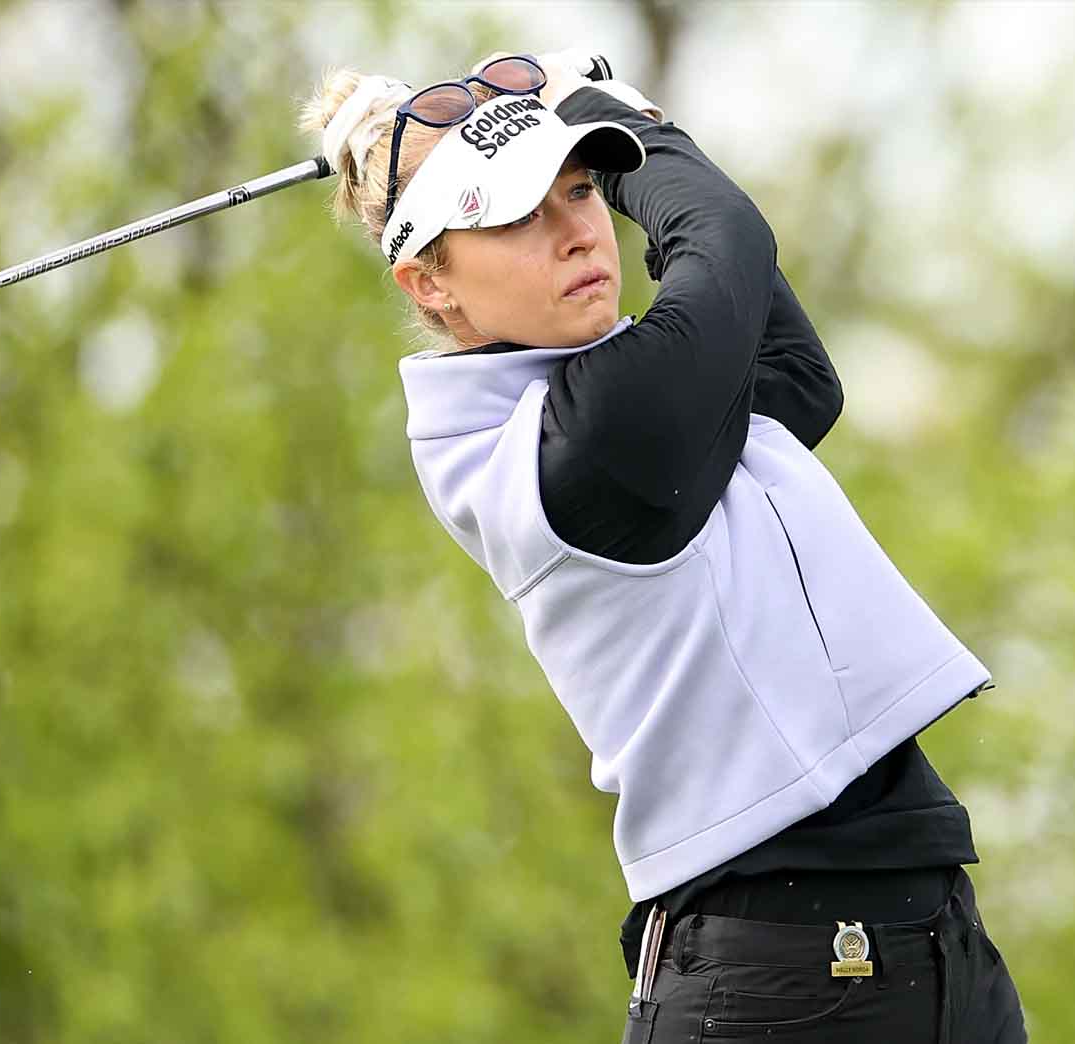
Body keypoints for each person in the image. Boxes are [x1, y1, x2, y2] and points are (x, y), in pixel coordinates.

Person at [299, 50, 1027, 1042]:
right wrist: (608, 111)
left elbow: (795, 383)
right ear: (429, 284)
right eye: (514, 216)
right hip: (779, 982)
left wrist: (582, 127)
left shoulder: (628, 407)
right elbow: (723, 236)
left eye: (581, 189)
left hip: (923, 944)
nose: (575, 233)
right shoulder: (578, 448)